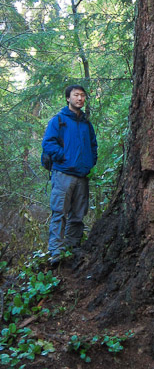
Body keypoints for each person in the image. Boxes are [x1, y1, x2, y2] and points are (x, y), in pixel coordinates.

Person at [41, 85, 98, 265]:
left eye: (82, 95)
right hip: (63, 175)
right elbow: (48, 144)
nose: (80, 99)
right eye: (76, 95)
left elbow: (93, 145)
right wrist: (64, 157)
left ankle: (72, 248)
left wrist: (90, 161)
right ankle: (56, 252)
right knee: (59, 212)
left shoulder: (86, 124)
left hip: (82, 176)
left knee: (78, 215)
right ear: (68, 98)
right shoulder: (58, 121)